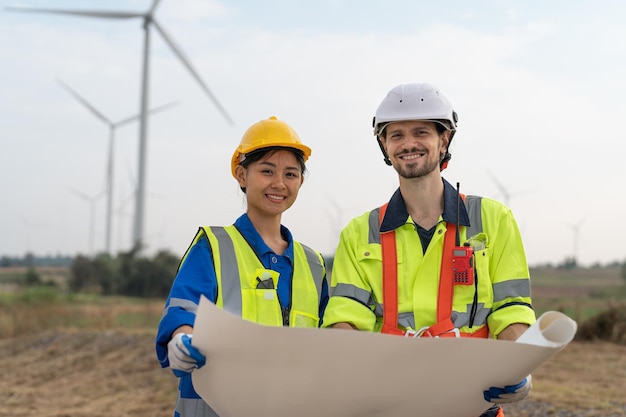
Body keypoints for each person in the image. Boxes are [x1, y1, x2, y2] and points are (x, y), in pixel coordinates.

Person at [322, 83, 536, 417]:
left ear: (444, 140)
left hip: (472, 400)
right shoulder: (359, 233)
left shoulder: (493, 219)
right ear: (384, 144)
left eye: (421, 132)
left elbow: (511, 308)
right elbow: (345, 320)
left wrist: (518, 363)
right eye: (396, 135)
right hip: (388, 402)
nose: (408, 144)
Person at [156, 116, 329, 417]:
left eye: (291, 173)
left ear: (301, 181)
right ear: (241, 175)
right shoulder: (213, 246)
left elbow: (329, 343)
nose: (279, 183)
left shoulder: (313, 265)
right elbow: (183, 310)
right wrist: (181, 339)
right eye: (267, 171)